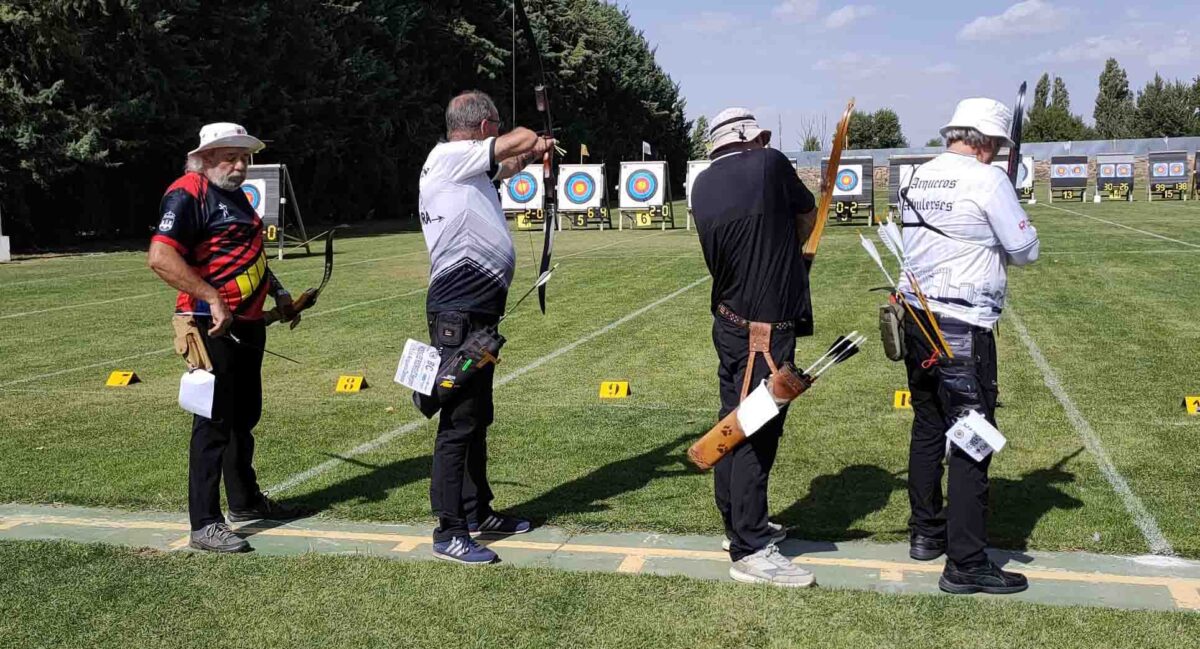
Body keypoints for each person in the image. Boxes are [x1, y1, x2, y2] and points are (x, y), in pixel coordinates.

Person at [898, 97, 1039, 594]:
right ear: (987, 144)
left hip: (914, 316)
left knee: (929, 423)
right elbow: (1026, 251)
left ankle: (924, 533)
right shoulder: (988, 179)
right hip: (962, 323)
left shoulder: (916, 176)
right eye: (999, 147)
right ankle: (966, 562)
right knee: (973, 437)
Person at [148, 122, 305, 553]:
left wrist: (280, 292)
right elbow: (160, 257)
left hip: (247, 325)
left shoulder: (235, 197)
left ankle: (245, 500)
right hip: (209, 324)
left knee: (243, 417)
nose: (240, 166)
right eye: (229, 157)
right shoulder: (188, 192)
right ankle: (204, 523)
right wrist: (211, 297)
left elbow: (247, 256)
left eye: (245, 158)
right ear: (204, 157)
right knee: (213, 423)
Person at [416, 90, 555, 565]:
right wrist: (531, 136)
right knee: (458, 422)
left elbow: (506, 167)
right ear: (482, 129)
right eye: (495, 128)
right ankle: (449, 531)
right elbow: (510, 143)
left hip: (475, 313)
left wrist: (533, 157)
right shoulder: (450, 156)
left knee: (477, 417)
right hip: (459, 313)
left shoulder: (463, 168)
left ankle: (477, 512)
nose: (498, 135)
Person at [690, 107, 819, 587]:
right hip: (762, 332)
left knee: (734, 422)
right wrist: (792, 251)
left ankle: (736, 525)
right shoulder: (767, 164)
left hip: (730, 322)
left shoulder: (701, 184)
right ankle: (749, 548)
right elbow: (806, 215)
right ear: (753, 137)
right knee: (754, 433)